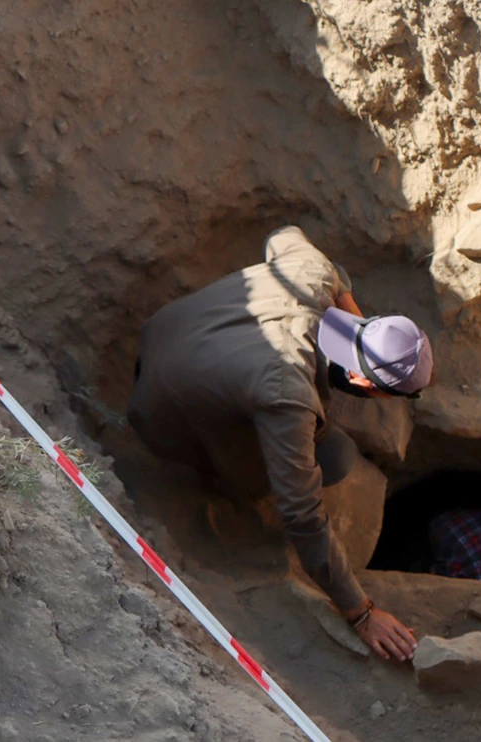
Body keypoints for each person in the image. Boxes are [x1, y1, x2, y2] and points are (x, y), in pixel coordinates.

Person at [126, 225, 433, 662]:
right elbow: (303, 518)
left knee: (319, 439)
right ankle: (226, 490)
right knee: (335, 457)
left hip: (166, 333)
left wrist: (343, 299)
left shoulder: (314, 271)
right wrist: (361, 613)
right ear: (365, 380)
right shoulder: (287, 392)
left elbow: (281, 235)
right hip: (157, 411)